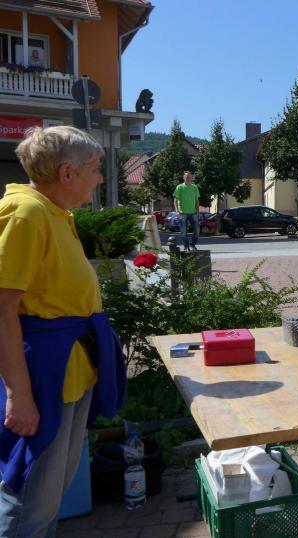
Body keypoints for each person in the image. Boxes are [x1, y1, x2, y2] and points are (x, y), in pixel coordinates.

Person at [0, 126, 126, 536]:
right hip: (43, 379)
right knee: (29, 501)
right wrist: (19, 396)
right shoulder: (27, 214)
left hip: (68, 375)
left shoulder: (55, 212)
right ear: (67, 173)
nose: (100, 178)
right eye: (95, 169)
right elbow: (3, 310)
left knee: (50, 497)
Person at [173, 171, 200, 251]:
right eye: (186, 177)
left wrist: (197, 211)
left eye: (189, 177)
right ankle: (186, 246)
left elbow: (197, 200)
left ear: (192, 178)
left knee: (197, 230)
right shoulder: (179, 187)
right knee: (183, 231)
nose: (188, 178)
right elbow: (175, 200)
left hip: (193, 212)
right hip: (182, 213)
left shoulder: (194, 187)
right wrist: (177, 211)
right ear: (183, 178)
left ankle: (192, 244)